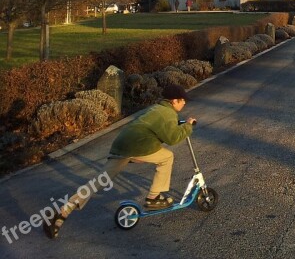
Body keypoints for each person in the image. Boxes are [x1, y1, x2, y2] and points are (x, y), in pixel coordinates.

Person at [44, 84, 197, 239]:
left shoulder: (156, 109)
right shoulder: (167, 113)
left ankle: (61, 213)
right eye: (183, 100)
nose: (184, 103)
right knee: (167, 157)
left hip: (122, 147)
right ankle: (153, 198)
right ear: (174, 101)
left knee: (98, 182)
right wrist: (188, 127)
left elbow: (161, 129)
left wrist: (180, 126)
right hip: (135, 148)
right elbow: (172, 138)